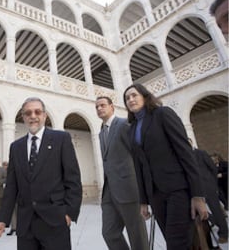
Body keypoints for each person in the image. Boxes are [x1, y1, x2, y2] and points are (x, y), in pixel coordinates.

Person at [0, 97, 82, 250]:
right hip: (25, 226)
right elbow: (12, 186)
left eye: (37, 112)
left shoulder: (61, 139)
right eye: (28, 113)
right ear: (23, 117)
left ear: (44, 115)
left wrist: (69, 213)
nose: (33, 116)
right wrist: (2, 219)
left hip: (55, 222)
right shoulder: (15, 147)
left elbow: (73, 180)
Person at [123, 83, 208, 249]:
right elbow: (139, 165)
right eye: (127, 98)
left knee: (176, 243)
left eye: (134, 95)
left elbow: (185, 154)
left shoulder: (162, 114)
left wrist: (198, 195)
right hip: (155, 195)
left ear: (145, 96)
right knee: (174, 241)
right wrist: (143, 201)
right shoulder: (131, 129)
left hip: (178, 190)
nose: (131, 99)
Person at [95, 96, 149, 250]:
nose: (99, 108)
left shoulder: (124, 124)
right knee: (109, 233)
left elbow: (138, 155)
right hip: (109, 192)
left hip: (128, 188)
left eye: (102, 105)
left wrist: (143, 189)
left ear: (112, 107)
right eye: (97, 107)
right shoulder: (100, 132)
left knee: (136, 235)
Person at [190, 141, 228, 244]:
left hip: (208, 186)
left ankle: (224, 233)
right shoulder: (184, 157)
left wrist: (212, 184)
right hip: (194, 190)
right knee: (198, 210)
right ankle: (215, 221)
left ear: (191, 143)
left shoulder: (201, 153)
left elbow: (212, 168)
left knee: (215, 209)